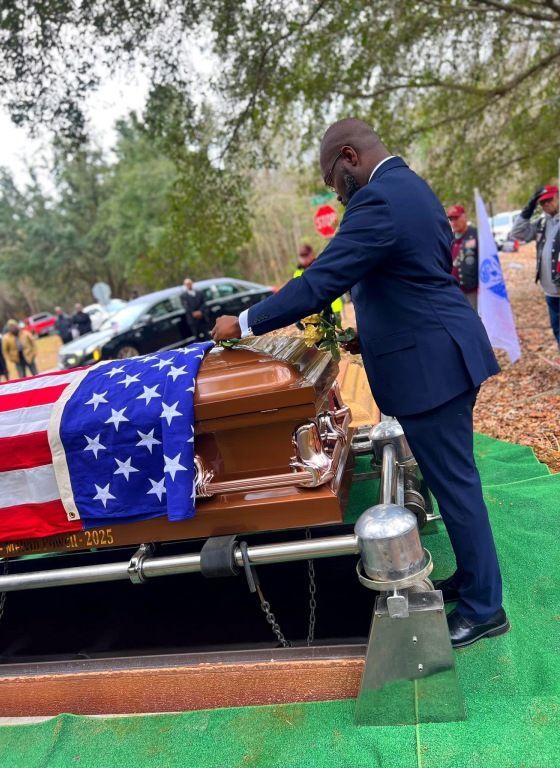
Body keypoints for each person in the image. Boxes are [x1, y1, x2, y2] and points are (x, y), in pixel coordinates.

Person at [213, 118, 508, 649]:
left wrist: (247, 321)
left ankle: (487, 609)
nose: (337, 192)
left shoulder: (377, 200)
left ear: (349, 157)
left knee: (457, 485)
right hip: (440, 350)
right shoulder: (411, 187)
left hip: (433, 366)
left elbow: (324, 280)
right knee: (450, 482)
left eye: (333, 179)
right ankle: (472, 581)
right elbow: (412, 281)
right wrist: (367, 339)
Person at [509, 185, 559, 350]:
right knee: (558, 331)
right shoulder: (542, 223)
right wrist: (528, 210)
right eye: (542, 202)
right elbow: (516, 233)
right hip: (550, 291)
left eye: (549, 200)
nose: (546, 205)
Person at [294, 244, 344, 323]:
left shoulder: (321, 268)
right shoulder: (297, 273)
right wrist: (296, 317)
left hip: (326, 309)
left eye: (306, 255)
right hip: (308, 314)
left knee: (329, 332)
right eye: (302, 256)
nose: (304, 259)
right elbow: (297, 295)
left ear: (312, 254)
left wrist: (337, 311)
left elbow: (332, 290)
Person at [446, 204, 479, 311]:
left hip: (472, 290)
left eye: (456, 218)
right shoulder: (449, 238)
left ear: (464, 217)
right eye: (451, 219)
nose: (453, 222)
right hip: (455, 292)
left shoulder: (475, 235)